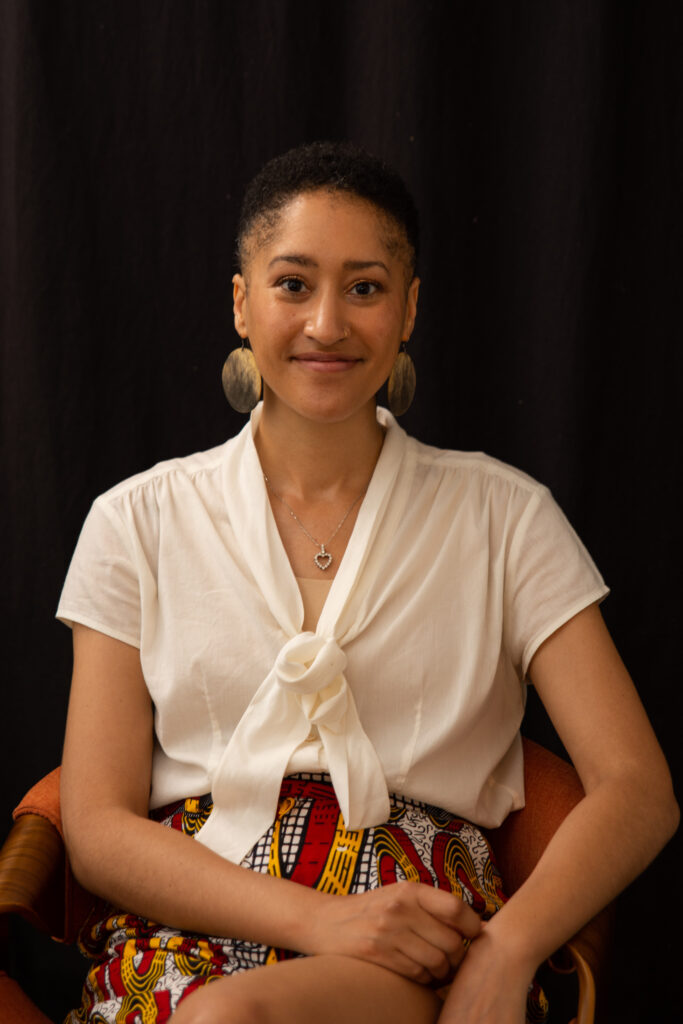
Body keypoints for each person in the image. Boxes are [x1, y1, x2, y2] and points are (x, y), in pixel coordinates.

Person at [58, 141, 678, 1024]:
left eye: (364, 287)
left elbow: (636, 787)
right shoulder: (135, 520)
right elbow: (95, 826)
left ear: (408, 308)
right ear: (241, 302)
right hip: (192, 924)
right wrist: (319, 921)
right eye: (292, 284)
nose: (325, 325)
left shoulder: (503, 514)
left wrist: (509, 951)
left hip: (419, 926)